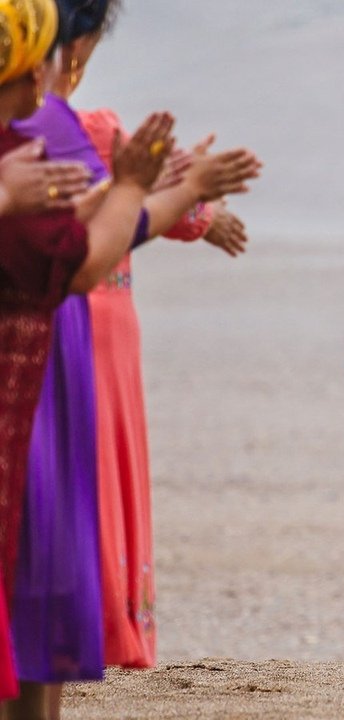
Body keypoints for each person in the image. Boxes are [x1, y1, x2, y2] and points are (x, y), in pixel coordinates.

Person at [0, 1, 174, 707]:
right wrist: (150, 188)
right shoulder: (53, 130)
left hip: (53, 351)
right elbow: (74, 259)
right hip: (42, 357)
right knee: (38, 557)